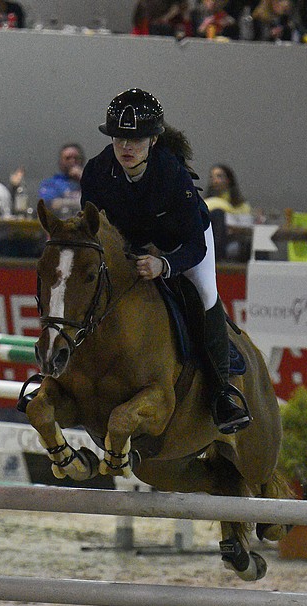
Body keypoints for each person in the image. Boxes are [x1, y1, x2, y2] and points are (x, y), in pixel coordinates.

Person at [79, 88, 251, 434]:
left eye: (136, 139)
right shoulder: (97, 171)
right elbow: (91, 228)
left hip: (185, 244)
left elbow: (194, 245)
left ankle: (222, 393)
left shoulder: (172, 175)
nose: (126, 147)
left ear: (153, 140)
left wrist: (165, 265)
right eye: (119, 138)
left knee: (204, 294)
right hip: (132, 244)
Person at [204, 164, 254, 261]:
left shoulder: (241, 205)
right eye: (212, 177)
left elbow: (246, 223)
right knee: (218, 213)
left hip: (233, 240)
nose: (215, 181)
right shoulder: (208, 202)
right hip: (210, 241)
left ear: (228, 179)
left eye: (219, 176)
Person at [38, 143, 85, 217]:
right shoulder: (51, 183)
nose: (72, 161)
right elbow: (52, 204)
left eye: (76, 158)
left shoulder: (91, 182)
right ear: (60, 162)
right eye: (68, 158)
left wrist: (84, 178)